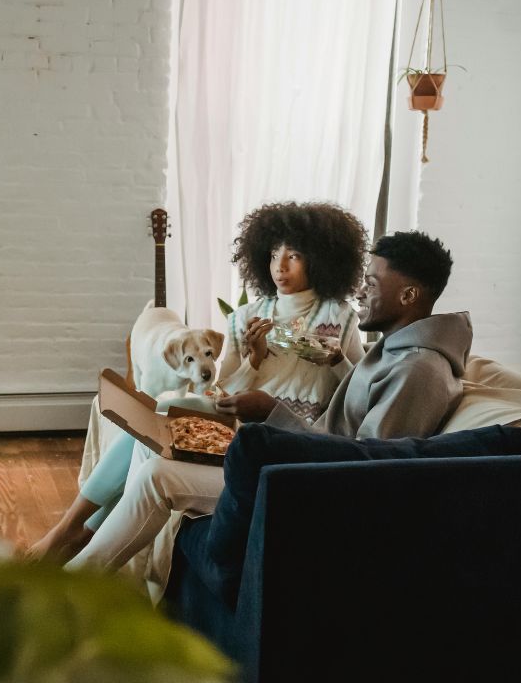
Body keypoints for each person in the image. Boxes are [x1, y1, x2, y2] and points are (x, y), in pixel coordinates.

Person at [65, 230, 469, 580]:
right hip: (296, 460)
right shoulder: (396, 351)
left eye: (372, 283)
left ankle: (72, 584)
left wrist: (271, 412)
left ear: (408, 295)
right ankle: (80, 565)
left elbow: (367, 468)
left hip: (308, 484)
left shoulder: (419, 370)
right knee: (156, 450)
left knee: (158, 476)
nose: (361, 291)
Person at [25, 201, 368, 561]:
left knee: (156, 423)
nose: (279, 267)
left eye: (293, 256)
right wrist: (253, 361)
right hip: (235, 425)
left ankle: (78, 531)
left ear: (319, 259)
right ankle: (71, 528)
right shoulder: (245, 318)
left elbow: (361, 390)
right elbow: (222, 391)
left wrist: (335, 359)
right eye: (273, 255)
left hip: (289, 439)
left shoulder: (341, 319)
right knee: (158, 411)